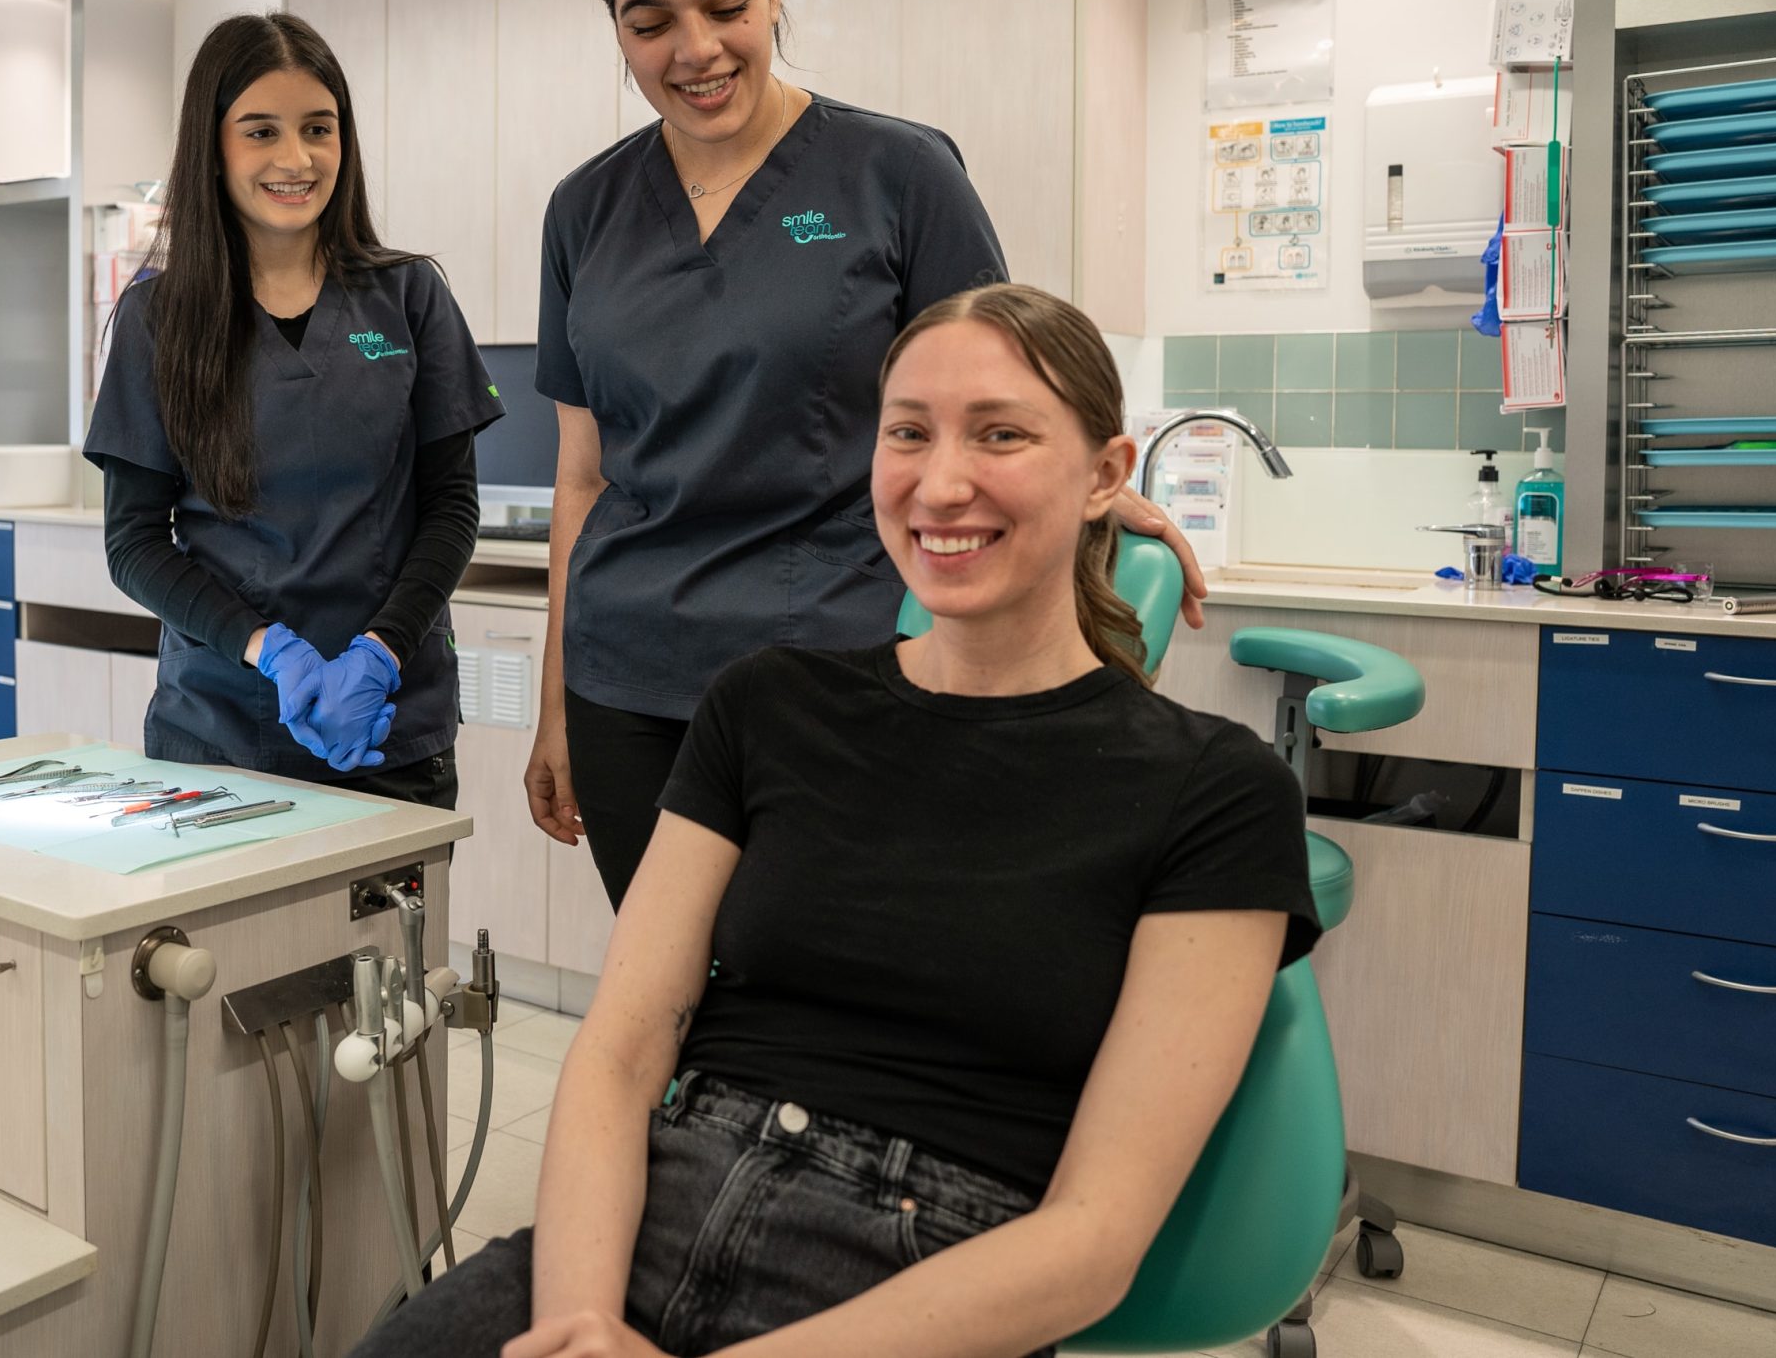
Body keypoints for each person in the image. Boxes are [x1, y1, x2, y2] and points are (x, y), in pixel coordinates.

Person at [356, 282, 1317, 1358]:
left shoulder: (1216, 791)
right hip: (651, 1220)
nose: (940, 483)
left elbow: (1093, 1243)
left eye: (1000, 434)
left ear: (1105, 475)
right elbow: (623, 1051)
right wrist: (579, 1319)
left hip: (932, 1281)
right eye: (908, 433)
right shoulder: (767, 705)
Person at [529, 0, 1205, 903]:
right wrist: (556, 705)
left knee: (823, 994)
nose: (695, 49)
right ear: (614, 27)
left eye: (726, 5)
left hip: (838, 668)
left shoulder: (896, 175)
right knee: (673, 1007)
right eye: (649, 21)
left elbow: (998, 397)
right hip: (630, 682)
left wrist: (1085, 486)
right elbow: (583, 479)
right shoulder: (584, 211)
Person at [83, 13, 503, 807]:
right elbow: (134, 542)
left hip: (387, 726)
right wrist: (269, 649)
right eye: (261, 130)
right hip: (218, 735)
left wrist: (380, 651)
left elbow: (451, 506)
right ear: (212, 144)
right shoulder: (158, 319)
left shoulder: (410, 296)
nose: (296, 158)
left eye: (319, 128)